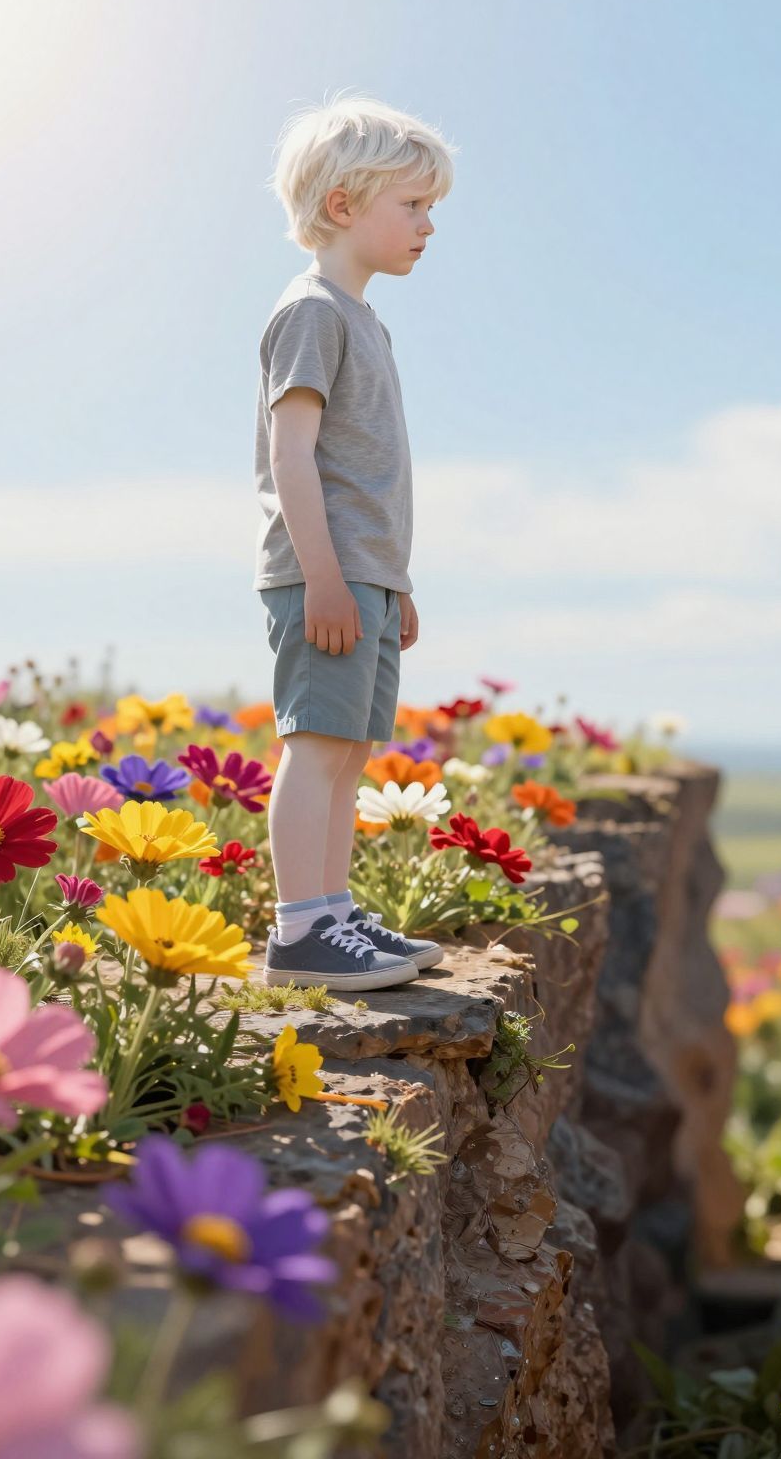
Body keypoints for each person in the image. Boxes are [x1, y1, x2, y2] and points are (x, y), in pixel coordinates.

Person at [252, 93, 456, 989]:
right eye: (412, 206)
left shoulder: (365, 319)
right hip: (321, 574)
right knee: (316, 744)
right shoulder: (312, 313)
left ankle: (330, 912)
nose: (428, 225)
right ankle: (299, 931)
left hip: (364, 576)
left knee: (351, 749)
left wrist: (390, 582)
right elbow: (291, 457)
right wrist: (328, 580)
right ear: (343, 207)